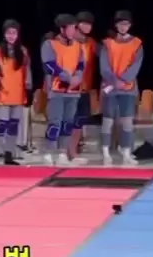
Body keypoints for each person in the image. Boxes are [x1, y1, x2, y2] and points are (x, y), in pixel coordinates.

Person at [98, 10, 144, 165]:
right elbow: (104, 66)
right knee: (107, 120)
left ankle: (126, 153)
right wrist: (114, 80)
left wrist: (124, 80)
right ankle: (105, 153)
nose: (123, 27)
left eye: (126, 24)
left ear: (130, 25)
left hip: (128, 88)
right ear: (116, 25)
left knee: (127, 122)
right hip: (110, 88)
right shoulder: (107, 44)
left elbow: (136, 65)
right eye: (120, 24)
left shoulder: (136, 44)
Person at [0, 19, 32, 167]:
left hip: (18, 93)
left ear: (18, 35)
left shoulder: (23, 51)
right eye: (9, 33)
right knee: (1, 125)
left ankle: (9, 155)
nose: (11, 36)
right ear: (4, 34)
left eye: (14, 33)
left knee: (13, 126)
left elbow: (27, 71)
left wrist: (28, 87)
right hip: (2, 93)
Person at [40, 14, 85, 165]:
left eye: (74, 28)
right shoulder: (50, 44)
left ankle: (62, 152)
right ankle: (49, 152)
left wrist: (78, 77)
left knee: (68, 122)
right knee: (55, 122)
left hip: (73, 91)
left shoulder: (78, 45)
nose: (73, 31)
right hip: (56, 89)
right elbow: (50, 65)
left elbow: (81, 64)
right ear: (62, 29)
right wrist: (68, 77)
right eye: (70, 28)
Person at [69, 11, 98, 164]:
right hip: (69, 89)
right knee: (67, 120)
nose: (87, 27)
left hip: (85, 88)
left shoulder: (91, 43)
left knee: (79, 122)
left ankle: (73, 152)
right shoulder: (68, 41)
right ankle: (63, 151)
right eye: (84, 23)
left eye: (90, 24)